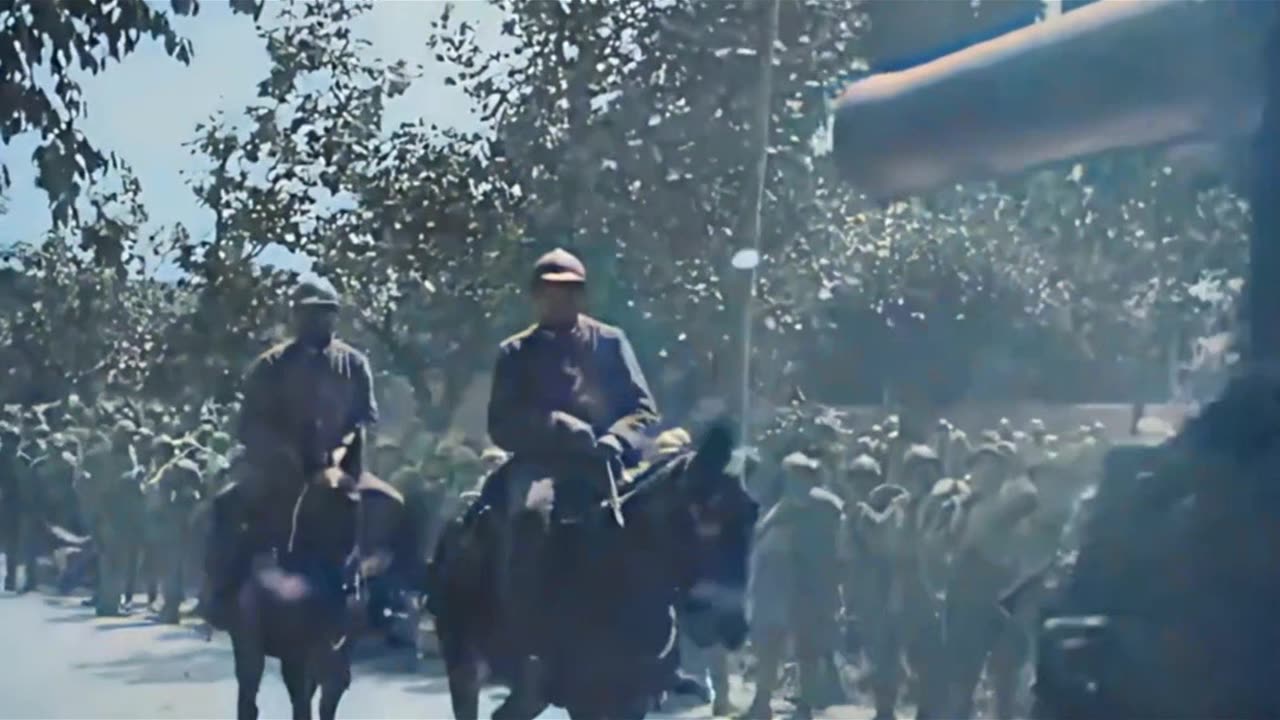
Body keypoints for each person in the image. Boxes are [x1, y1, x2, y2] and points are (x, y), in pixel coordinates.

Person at [480, 247, 660, 710]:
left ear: (581, 295)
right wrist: (559, 426)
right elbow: (501, 423)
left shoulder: (611, 341)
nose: (557, 299)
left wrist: (618, 440)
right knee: (530, 519)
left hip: (607, 464)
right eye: (548, 291)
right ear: (535, 297)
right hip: (543, 466)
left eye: (568, 291)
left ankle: (661, 648)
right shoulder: (516, 351)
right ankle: (527, 647)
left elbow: (643, 410)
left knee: (656, 522)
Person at [200, 279, 378, 630]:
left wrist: (341, 454)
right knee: (225, 504)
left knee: (390, 505)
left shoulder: (354, 364)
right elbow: (250, 424)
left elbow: (365, 417)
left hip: (339, 468)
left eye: (325, 313)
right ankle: (219, 595)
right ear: (296, 317)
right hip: (280, 469)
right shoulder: (270, 365)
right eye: (310, 313)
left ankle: (388, 600)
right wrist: (283, 453)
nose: (318, 321)